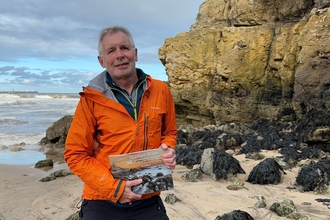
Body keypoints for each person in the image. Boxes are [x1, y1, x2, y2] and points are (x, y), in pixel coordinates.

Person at [64, 25, 177, 220]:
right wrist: (115, 188)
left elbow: (170, 132)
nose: (119, 55)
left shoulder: (160, 90)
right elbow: (75, 154)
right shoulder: (91, 98)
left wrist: (168, 149)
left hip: (147, 195)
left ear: (135, 53)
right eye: (111, 50)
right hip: (102, 200)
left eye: (124, 48)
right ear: (102, 61)